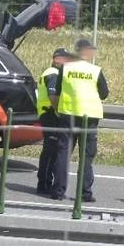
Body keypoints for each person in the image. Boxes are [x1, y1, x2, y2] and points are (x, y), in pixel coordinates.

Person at [49, 39, 109, 202]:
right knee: (86, 156)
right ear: (87, 52)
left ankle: (58, 191)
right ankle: (84, 193)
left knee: (63, 153)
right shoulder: (95, 70)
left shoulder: (65, 68)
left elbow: (58, 91)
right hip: (89, 118)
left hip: (68, 115)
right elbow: (104, 93)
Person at [35, 47, 73, 194]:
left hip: (47, 113)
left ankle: (45, 182)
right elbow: (53, 97)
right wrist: (58, 112)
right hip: (50, 114)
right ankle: (43, 183)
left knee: (50, 150)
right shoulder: (53, 74)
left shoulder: (52, 72)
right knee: (50, 151)